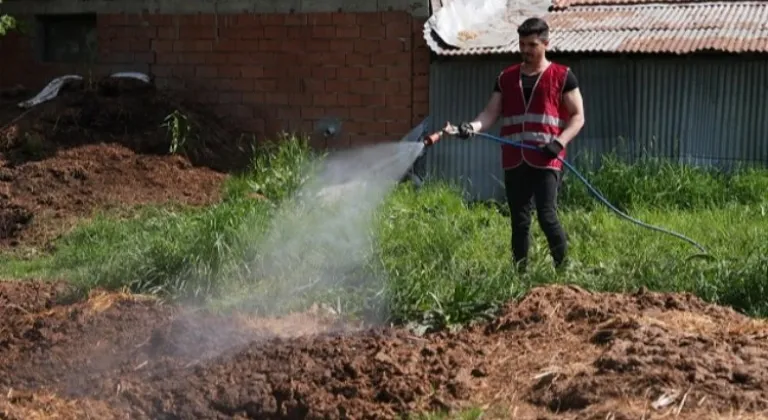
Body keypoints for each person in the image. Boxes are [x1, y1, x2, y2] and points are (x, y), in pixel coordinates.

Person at [450, 17, 585, 273]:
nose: (525, 50)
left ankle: (563, 273)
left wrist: (559, 142)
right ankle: (519, 276)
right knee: (519, 221)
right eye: (522, 44)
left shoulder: (563, 76)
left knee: (547, 216)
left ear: (546, 43)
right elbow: (490, 113)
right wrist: (472, 127)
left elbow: (578, 116)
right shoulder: (506, 78)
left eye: (531, 45)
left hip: (547, 158)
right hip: (514, 158)